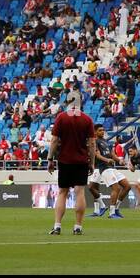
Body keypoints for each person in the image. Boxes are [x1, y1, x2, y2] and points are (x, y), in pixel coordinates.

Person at [48, 96, 94, 236]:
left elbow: (55, 140)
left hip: (65, 161)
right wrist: (91, 162)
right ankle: (78, 226)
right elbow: (92, 144)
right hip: (81, 161)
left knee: (63, 193)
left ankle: (57, 226)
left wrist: (50, 158)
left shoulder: (61, 118)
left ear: (68, 102)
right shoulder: (87, 119)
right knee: (79, 192)